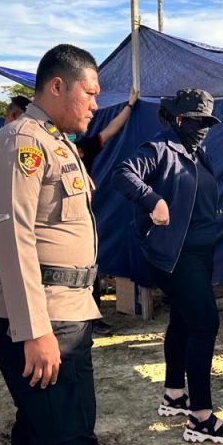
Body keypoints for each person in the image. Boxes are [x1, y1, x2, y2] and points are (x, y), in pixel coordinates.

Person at [0, 44, 138, 445]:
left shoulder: (57, 142)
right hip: (44, 316)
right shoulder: (22, 142)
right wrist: (34, 329)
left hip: (60, 308)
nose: (97, 102)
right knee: (68, 438)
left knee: (38, 427)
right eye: (91, 91)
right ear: (57, 87)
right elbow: (13, 234)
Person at [112, 88, 223, 444]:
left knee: (183, 320)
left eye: (208, 122)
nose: (204, 128)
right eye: (198, 121)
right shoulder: (159, 149)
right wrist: (151, 199)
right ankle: (200, 417)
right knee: (205, 322)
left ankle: (174, 395)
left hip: (197, 253)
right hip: (173, 255)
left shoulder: (196, 152)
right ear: (179, 119)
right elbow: (123, 173)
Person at [74, 87, 140, 337]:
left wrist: (130, 106)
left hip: (83, 216)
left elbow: (111, 130)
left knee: (91, 266)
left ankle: (92, 318)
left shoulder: (83, 148)